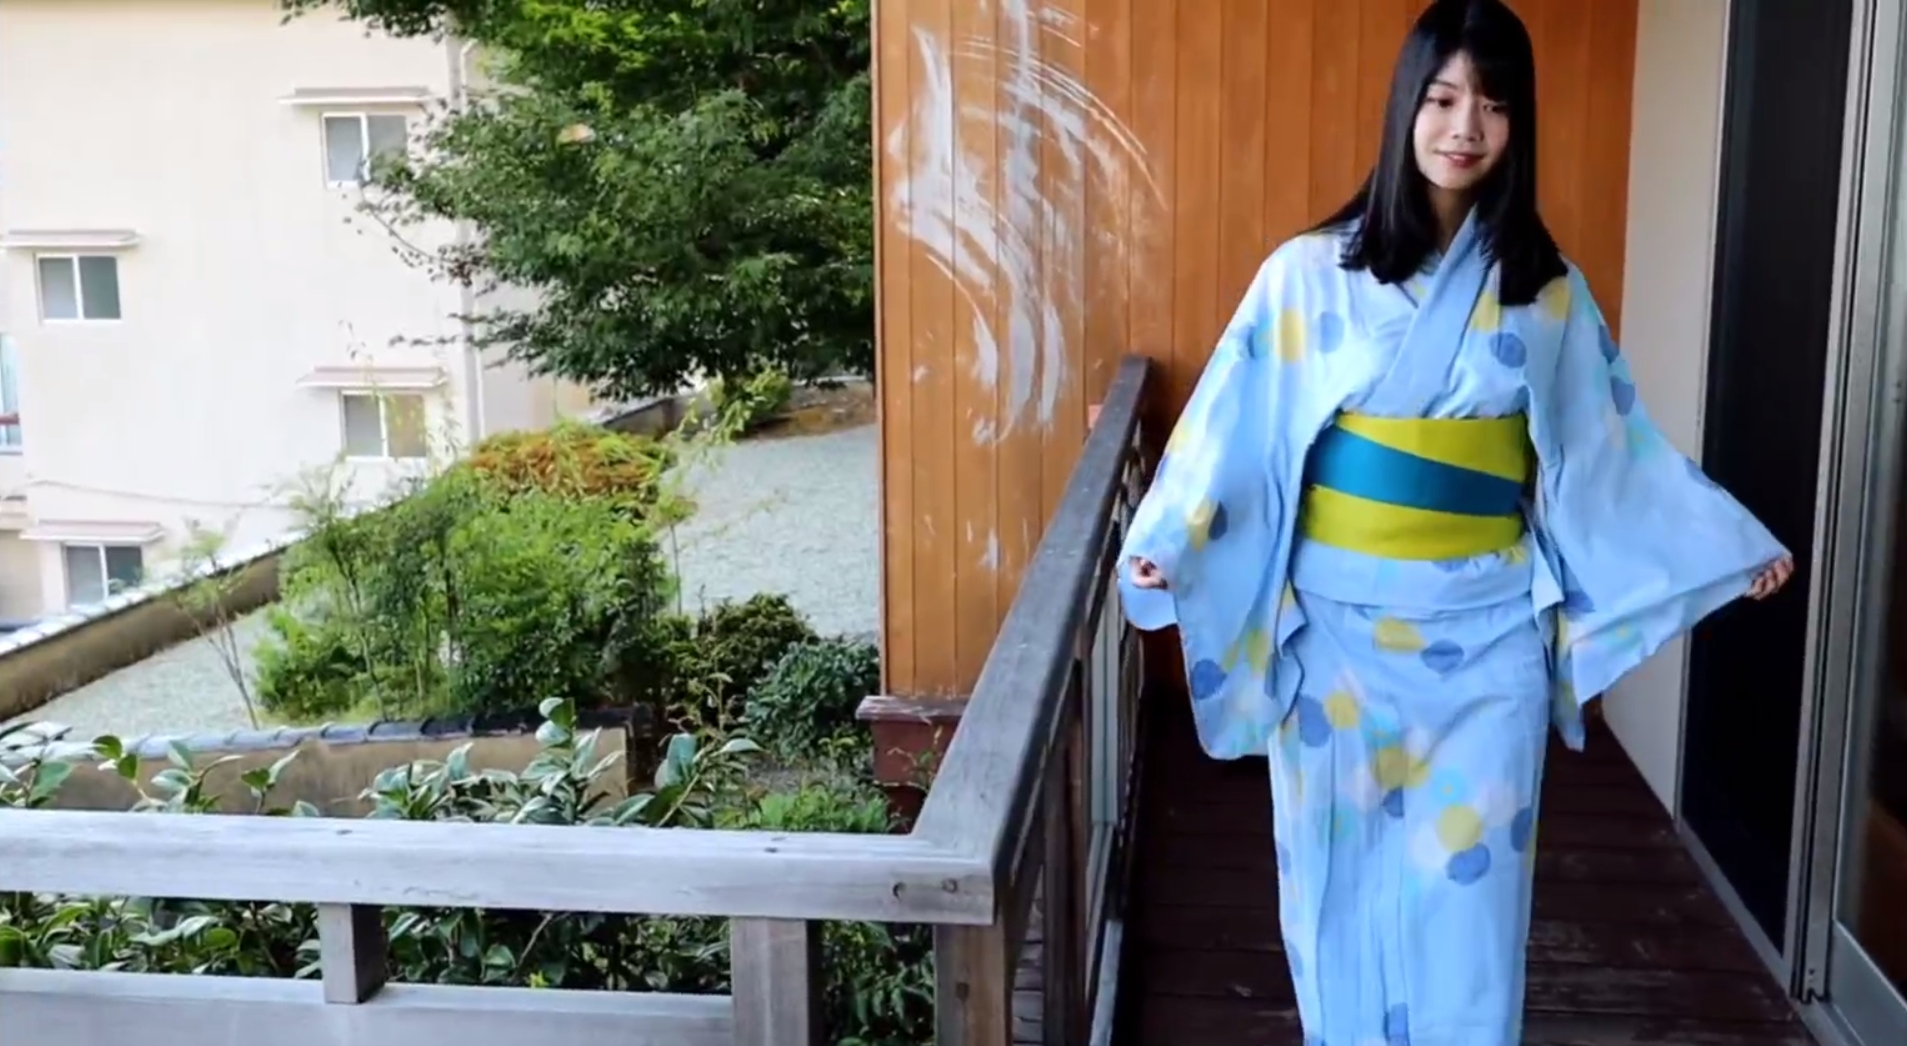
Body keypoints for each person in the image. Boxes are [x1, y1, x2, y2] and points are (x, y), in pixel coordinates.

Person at [1116, 1, 1793, 1044]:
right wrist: (1172, 538)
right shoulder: (1307, 275)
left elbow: (1606, 452)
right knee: (1337, 892)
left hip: (1488, 640)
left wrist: (1714, 542)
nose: (1463, 126)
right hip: (1336, 636)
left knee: (1475, 908)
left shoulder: (1547, 293)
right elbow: (1234, 427)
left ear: (1519, 123)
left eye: (1492, 104)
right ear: (1406, 108)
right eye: (1440, 99)